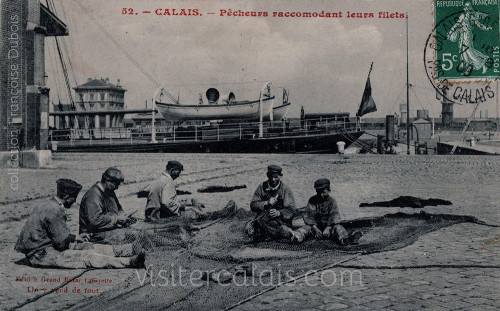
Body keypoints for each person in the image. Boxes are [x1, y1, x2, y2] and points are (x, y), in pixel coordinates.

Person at [15, 179, 145, 269]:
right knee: (87, 256)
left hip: (43, 248)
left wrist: (76, 238)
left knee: (88, 245)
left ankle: (129, 249)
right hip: (41, 255)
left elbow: (55, 235)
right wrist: (74, 243)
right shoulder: (56, 211)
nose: (74, 202)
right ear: (67, 197)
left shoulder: (48, 204)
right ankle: (128, 262)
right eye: (73, 198)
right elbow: (61, 243)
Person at [145, 160, 236, 221]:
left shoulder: (160, 179)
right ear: (172, 170)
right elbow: (167, 203)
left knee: (192, 207)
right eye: (178, 172)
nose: (179, 175)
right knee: (196, 213)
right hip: (159, 217)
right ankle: (221, 213)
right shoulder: (168, 181)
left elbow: (165, 201)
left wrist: (185, 204)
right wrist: (185, 209)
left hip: (151, 213)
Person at [295, 178, 362, 245]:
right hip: (315, 229)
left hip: (329, 229)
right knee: (304, 229)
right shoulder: (312, 200)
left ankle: (345, 239)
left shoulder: (332, 201)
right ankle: (296, 237)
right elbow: (309, 216)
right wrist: (315, 229)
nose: (321, 195)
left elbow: (334, 216)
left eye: (324, 192)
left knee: (339, 228)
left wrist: (328, 227)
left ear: (329, 191)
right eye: (319, 192)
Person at [248, 165, 301, 241]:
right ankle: (281, 233)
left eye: (276, 177)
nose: (273, 180)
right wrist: (266, 202)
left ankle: (284, 232)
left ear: (280, 176)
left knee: (267, 228)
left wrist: (279, 213)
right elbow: (253, 205)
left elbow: (292, 210)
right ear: (267, 175)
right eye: (271, 177)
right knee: (258, 223)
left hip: (281, 221)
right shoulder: (261, 187)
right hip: (265, 219)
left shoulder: (285, 189)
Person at [79, 167, 131, 235]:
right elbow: (96, 220)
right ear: (108, 182)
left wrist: (124, 216)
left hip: (108, 230)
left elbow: (118, 208)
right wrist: (117, 219)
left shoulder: (109, 191)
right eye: (116, 185)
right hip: (93, 235)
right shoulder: (93, 195)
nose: (117, 188)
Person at [446, 2, 492, 75]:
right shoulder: (462, 16)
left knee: (469, 52)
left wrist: (487, 28)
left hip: (467, 35)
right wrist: (450, 32)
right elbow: (456, 25)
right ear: (464, 8)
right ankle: (467, 68)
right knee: (464, 52)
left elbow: (479, 25)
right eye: (466, 7)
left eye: (469, 7)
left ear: (470, 8)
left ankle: (484, 60)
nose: (467, 9)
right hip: (462, 35)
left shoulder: (472, 16)